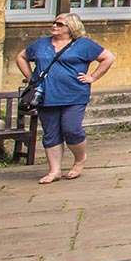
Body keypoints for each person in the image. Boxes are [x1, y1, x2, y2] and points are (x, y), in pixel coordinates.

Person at [14, 12, 114, 185]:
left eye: (59, 24)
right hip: (46, 95)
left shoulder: (83, 45)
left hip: (73, 94)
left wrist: (92, 77)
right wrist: (31, 77)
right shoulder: (41, 44)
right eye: (54, 23)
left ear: (71, 28)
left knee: (71, 129)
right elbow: (21, 57)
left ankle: (80, 159)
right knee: (50, 133)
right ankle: (54, 171)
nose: (54, 26)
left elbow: (108, 57)